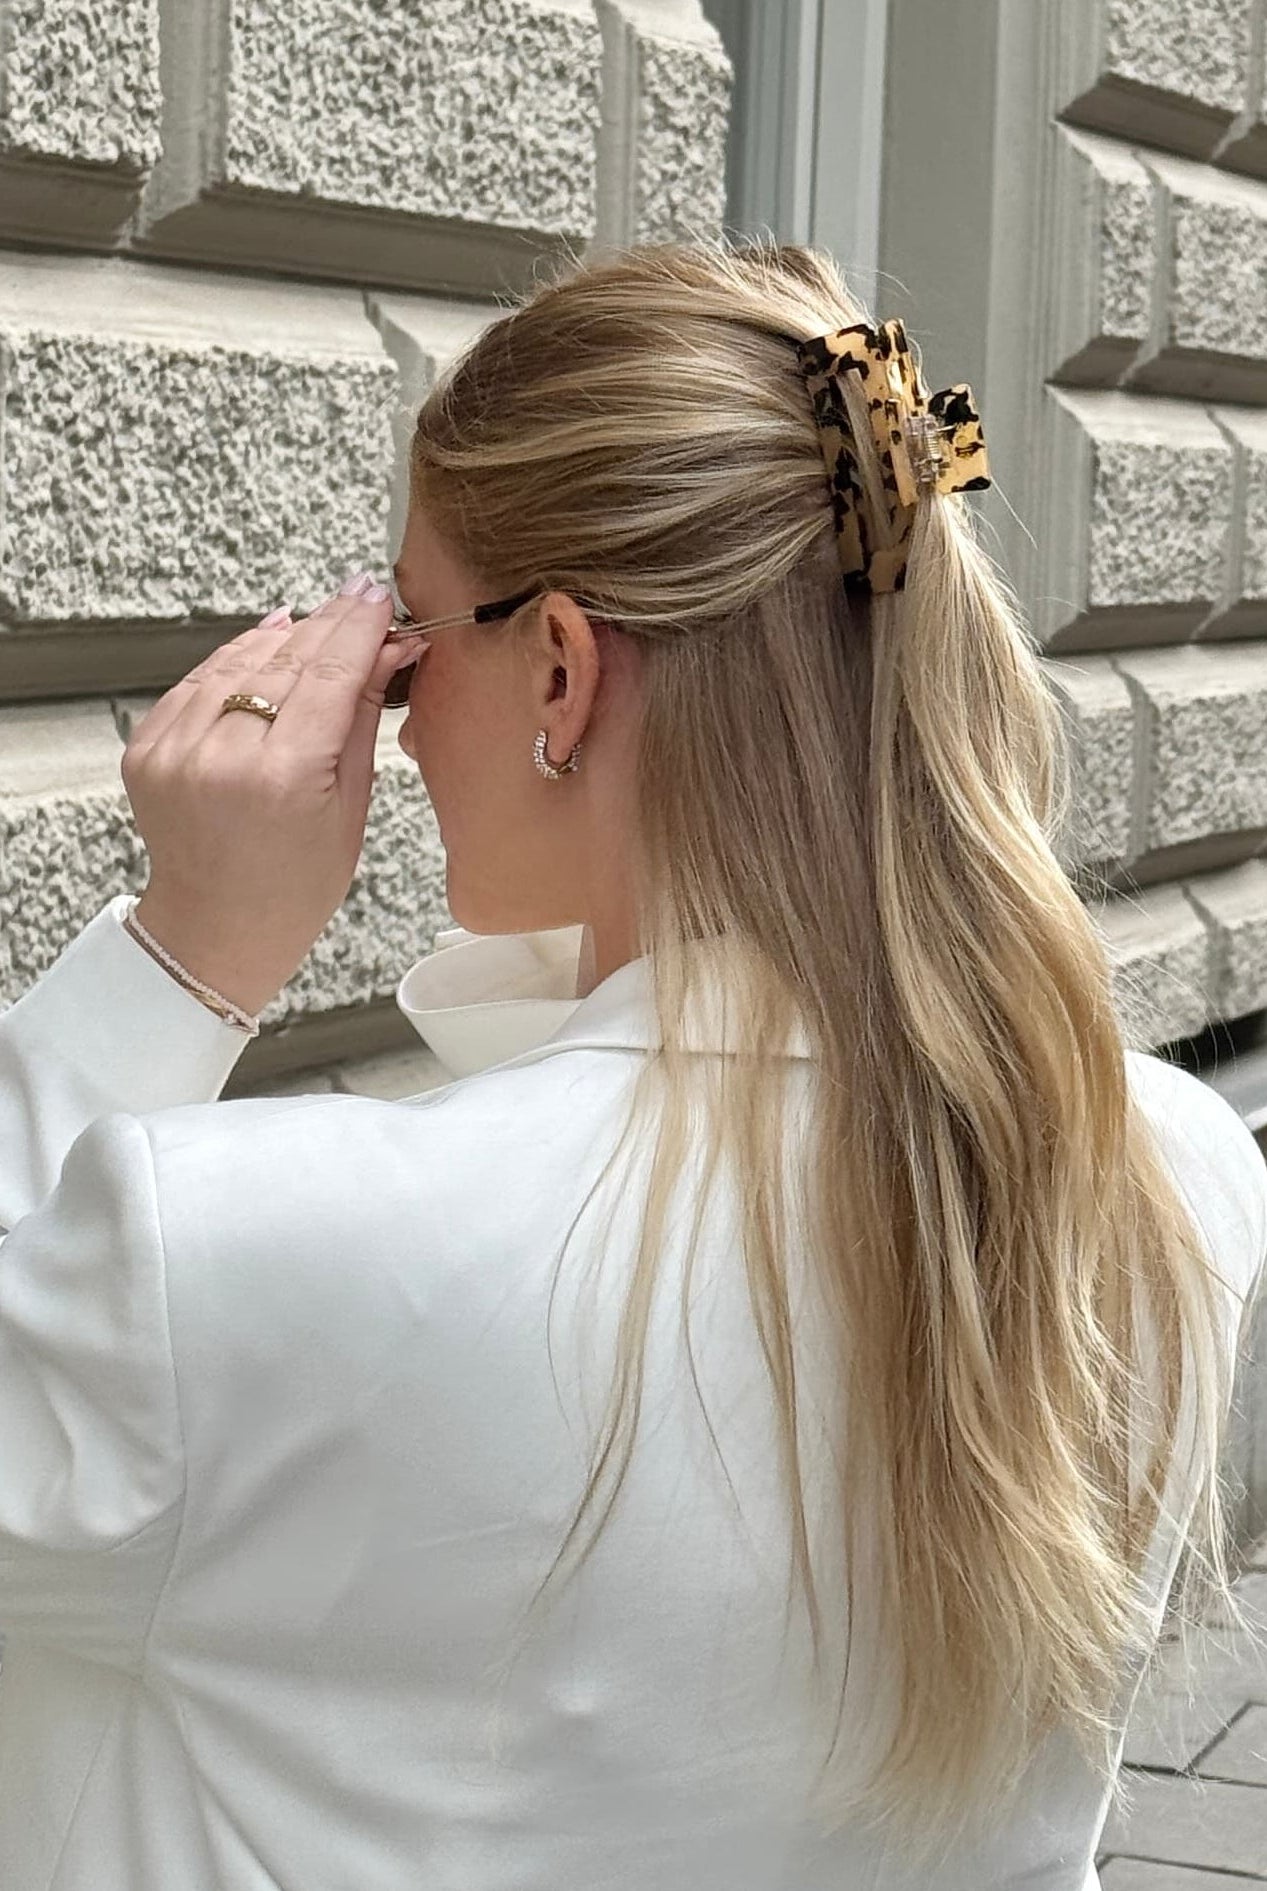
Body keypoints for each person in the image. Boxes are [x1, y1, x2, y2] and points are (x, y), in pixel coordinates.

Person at [0, 237, 1263, 1891]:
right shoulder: (1170, 1169)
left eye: (411, 632)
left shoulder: (231, 1262)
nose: (392, 715)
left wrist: (186, 953)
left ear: (561, 668)